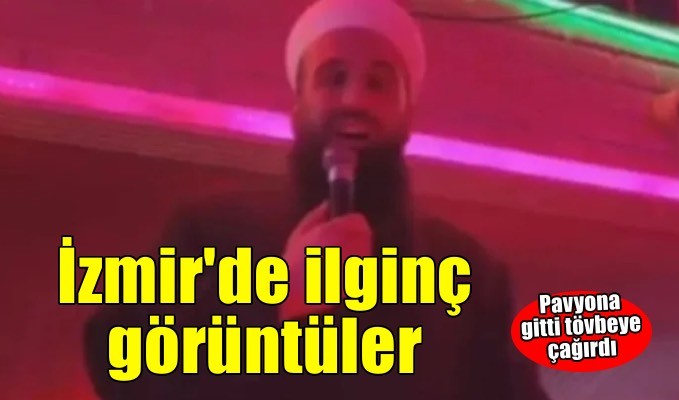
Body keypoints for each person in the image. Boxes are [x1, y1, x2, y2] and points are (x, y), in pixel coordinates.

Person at [84, 0, 550, 399]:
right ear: (297, 109)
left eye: (378, 83)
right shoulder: (209, 231)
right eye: (334, 77)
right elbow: (117, 361)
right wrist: (274, 301)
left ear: (408, 117)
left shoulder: (472, 274)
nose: (354, 99)